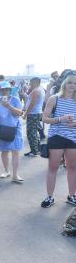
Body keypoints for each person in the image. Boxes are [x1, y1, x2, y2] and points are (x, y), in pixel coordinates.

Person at [40, 72, 76, 208]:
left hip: (73, 138)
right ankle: (49, 197)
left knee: (72, 167)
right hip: (56, 137)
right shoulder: (54, 99)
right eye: (70, 82)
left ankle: (72, 195)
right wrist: (60, 119)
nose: (72, 85)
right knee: (53, 167)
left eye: (75, 83)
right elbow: (44, 118)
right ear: (64, 83)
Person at [0, 81, 24, 183]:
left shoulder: (15, 100)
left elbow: (20, 113)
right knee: (4, 150)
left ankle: (15, 174)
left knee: (15, 151)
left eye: (6, 89)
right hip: (2, 129)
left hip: (14, 129)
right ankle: (6, 171)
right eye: (1, 90)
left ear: (10, 90)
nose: (4, 91)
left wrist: (9, 106)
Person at [22, 77, 45, 157]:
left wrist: (25, 114)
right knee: (34, 132)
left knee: (31, 133)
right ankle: (37, 150)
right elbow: (30, 99)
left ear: (35, 82)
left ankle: (34, 151)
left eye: (31, 83)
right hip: (36, 113)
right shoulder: (40, 89)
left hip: (33, 114)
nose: (30, 84)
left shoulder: (36, 90)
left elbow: (32, 104)